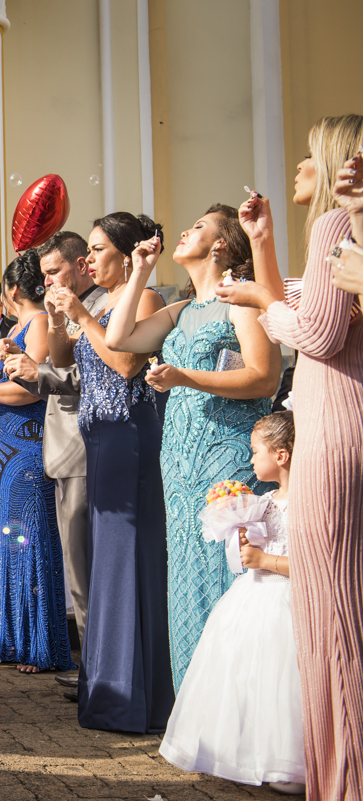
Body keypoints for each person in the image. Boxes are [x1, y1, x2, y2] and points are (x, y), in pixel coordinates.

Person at [215, 114, 363, 801]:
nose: (298, 167)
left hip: (332, 426)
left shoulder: (335, 226)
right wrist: (262, 245)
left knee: (330, 611)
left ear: (333, 162)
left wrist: (263, 307)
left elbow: (319, 333)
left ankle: (342, 777)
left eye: (308, 155)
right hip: (341, 418)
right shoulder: (340, 230)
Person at [104, 205, 280, 690]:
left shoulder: (240, 301)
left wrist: (184, 377)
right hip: (179, 458)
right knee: (184, 572)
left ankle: (237, 700)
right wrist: (140, 271)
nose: (184, 231)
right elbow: (119, 338)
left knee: (225, 568)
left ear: (221, 245)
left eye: (199, 227)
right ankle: (196, 704)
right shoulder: (181, 311)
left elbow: (264, 377)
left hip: (227, 454)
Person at [47, 212, 173, 732]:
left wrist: (81, 313)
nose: (88, 259)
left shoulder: (146, 299)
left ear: (126, 255)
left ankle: (135, 696)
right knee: (106, 563)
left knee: (127, 560)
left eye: (98, 249)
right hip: (97, 438)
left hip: (127, 432)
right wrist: (58, 320)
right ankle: (108, 689)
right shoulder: (99, 303)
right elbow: (64, 359)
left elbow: (125, 365)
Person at [159, 412, 304, 795]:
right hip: (251, 598)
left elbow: (313, 564)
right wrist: (239, 536)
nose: (250, 459)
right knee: (245, 676)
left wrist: (264, 559)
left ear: (281, 455)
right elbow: (245, 559)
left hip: (288, 600)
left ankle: (288, 762)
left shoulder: (307, 503)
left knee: (283, 681)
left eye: (256, 451)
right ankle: (242, 752)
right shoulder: (265, 502)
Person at [0, 251, 74, 674]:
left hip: (25, 451)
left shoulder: (38, 322)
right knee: (11, 541)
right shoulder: (17, 327)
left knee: (30, 540)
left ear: (12, 289)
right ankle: (15, 639)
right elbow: (8, 382)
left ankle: (40, 644)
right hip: (4, 453)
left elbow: (31, 390)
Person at [1, 231, 106, 674]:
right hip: (66, 447)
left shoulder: (100, 307)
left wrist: (37, 371)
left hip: (84, 444)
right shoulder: (64, 310)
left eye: (52, 271)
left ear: (80, 265)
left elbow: (99, 376)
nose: (45, 281)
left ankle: (96, 672)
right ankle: (94, 670)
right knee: (78, 570)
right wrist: (28, 366)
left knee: (85, 568)